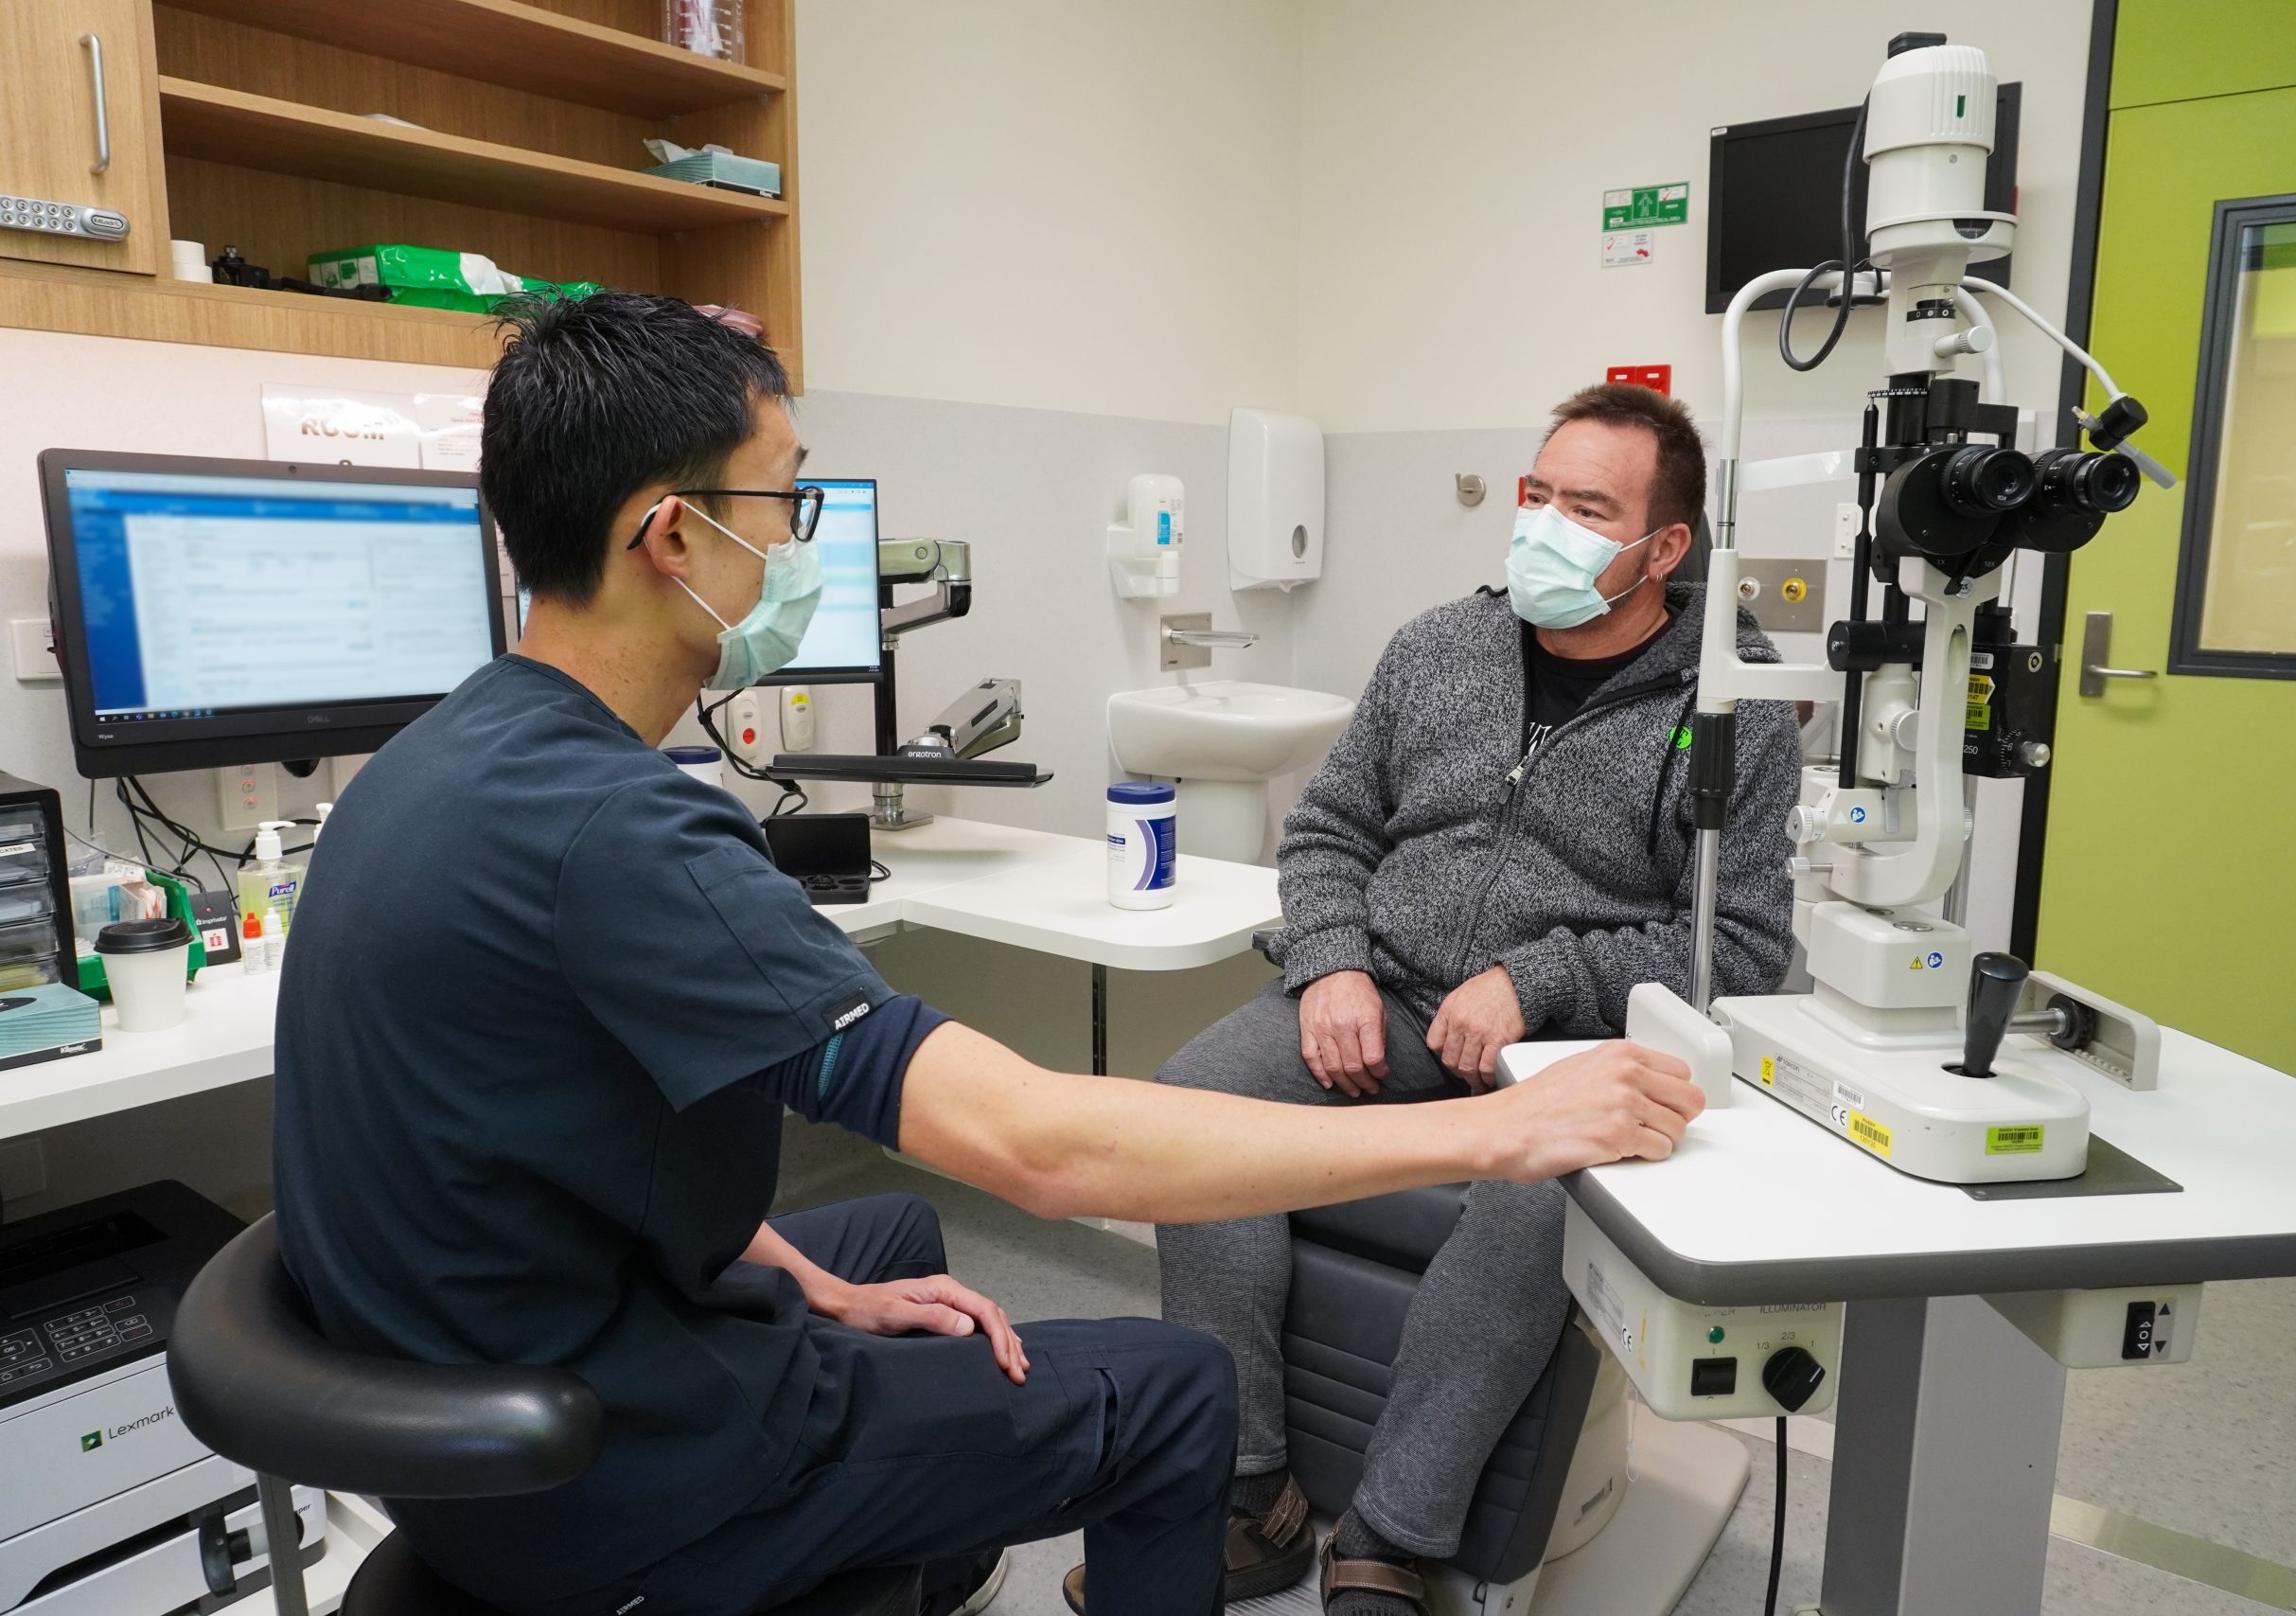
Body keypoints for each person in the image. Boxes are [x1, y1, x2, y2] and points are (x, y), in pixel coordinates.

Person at [270, 296, 1710, 1616]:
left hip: (481, 1390)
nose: (802, 539)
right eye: (787, 498)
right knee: (1173, 1391)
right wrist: (1500, 1125)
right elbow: (1042, 1153)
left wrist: (804, 1278)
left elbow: (531, 1149)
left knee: (885, 1245)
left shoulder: (439, 755)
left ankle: (913, 1551)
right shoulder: (622, 832)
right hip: (600, 1471)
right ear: (670, 539)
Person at [1143, 383, 1801, 1615]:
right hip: (1384, 997)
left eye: (1588, 507)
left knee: (1531, 1198)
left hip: (1573, 1042)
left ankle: (1390, 1532)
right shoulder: (1437, 646)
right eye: (1538, 492)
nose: (1546, 523)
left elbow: (1742, 948)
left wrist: (1538, 980)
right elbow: (1331, 828)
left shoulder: (1731, 702)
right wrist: (1331, 958)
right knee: (1192, 1104)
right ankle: (1250, 1486)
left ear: (1664, 549)